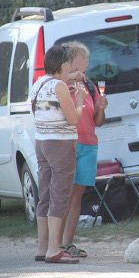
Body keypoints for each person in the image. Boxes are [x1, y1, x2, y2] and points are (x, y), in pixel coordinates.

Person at [30, 45, 87, 264]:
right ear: (62, 64)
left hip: (41, 143)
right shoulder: (59, 86)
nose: (70, 69)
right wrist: (80, 100)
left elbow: (48, 109)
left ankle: (42, 246)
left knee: (44, 194)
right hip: (60, 144)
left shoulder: (38, 85)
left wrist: (69, 84)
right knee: (60, 194)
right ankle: (54, 248)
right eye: (69, 65)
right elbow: (73, 118)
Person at [59, 41, 108, 258]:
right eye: (80, 67)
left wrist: (100, 108)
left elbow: (99, 121)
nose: (84, 72)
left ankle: (68, 243)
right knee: (64, 194)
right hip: (68, 144)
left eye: (86, 67)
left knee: (77, 195)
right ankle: (56, 243)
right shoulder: (60, 85)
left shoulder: (89, 86)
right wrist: (70, 80)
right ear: (68, 64)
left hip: (88, 145)